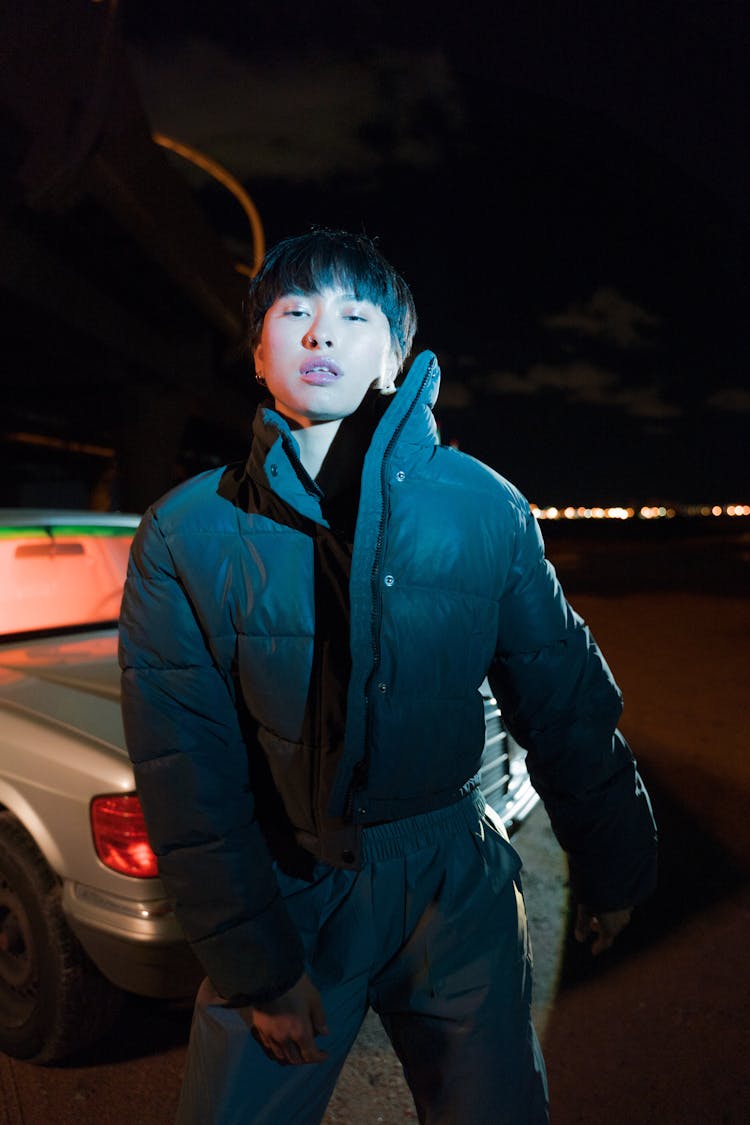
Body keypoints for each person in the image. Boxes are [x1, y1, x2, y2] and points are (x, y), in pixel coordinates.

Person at [118, 229, 657, 1125]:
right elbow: (187, 765)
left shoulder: (484, 506)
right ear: (258, 355)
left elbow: (564, 704)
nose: (322, 333)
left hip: (454, 876)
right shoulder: (186, 531)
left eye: (354, 314)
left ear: (394, 357)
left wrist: (615, 869)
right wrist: (259, 964)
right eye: (294, 312)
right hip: (289, 880)